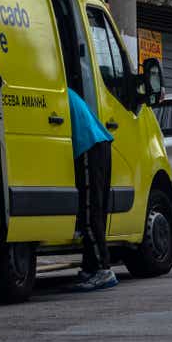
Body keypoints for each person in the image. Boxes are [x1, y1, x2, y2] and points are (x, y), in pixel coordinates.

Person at [66, 87, 117, 292]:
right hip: (99, 143)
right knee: (94, 209)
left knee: (89, 213)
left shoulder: (54, 90)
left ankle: (102, 270)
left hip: (89, 146)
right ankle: (90, 267)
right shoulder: (63, 88)